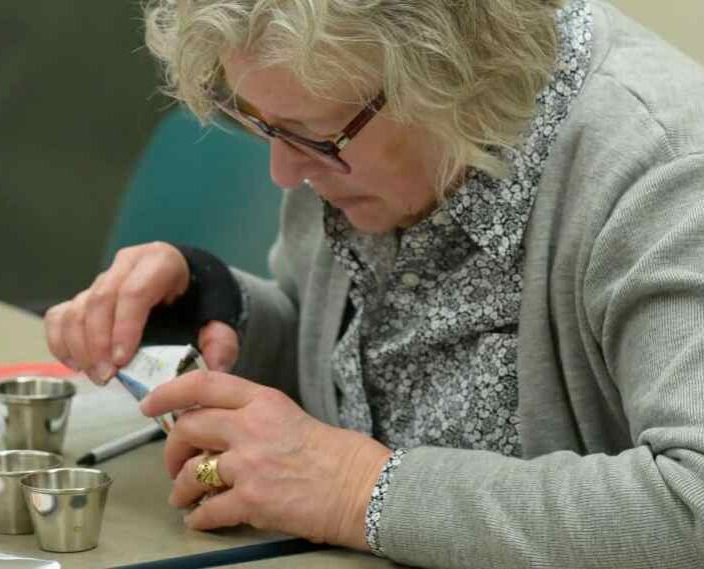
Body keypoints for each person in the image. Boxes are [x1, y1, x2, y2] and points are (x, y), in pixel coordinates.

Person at [44, 0, 704, 566]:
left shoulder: (666, 174)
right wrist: (222, 311)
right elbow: (353, 386)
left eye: (308, 137)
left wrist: (359, 490)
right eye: (261, 124)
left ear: (448, 75)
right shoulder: (352, 127)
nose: (281, 171)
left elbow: (691, 505)